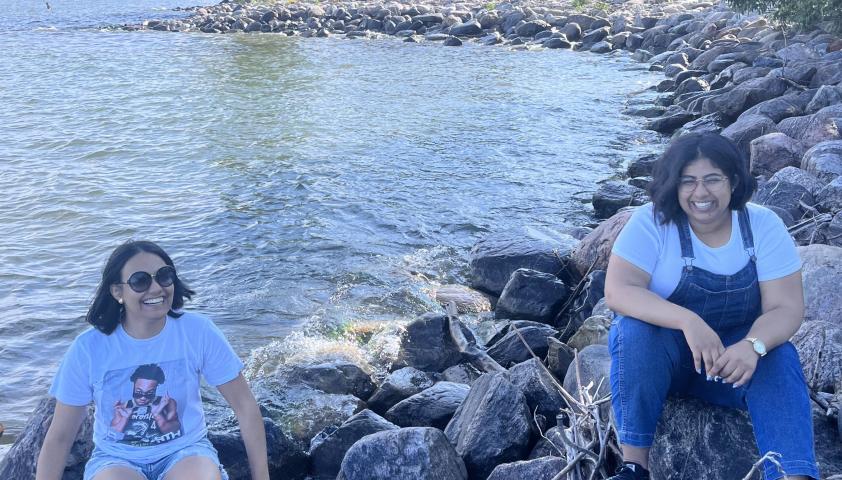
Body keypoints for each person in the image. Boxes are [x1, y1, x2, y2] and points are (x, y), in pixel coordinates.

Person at [604, 133, 818, 480]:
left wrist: (753, 346)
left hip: (734, 366)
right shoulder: (651, 222)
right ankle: (634, 466)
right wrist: (689, 321)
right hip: (667, 364)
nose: (700, 193)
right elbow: (618, 291)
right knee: (633, 331)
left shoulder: (763, 226)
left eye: (712, 179)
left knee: (780, 356)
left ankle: (791, 473)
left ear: (733, 181)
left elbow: (787, 307)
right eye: (688, 181)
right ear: (673, 185)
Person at [36, 240, 270, 480]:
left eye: (164, 276)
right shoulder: (88, 348)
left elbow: (245, 407)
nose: (156, 288)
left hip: (186, 451)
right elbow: (60, 436)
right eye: (140, 281)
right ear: (118, 291)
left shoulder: (198, 332)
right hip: (116, 459)